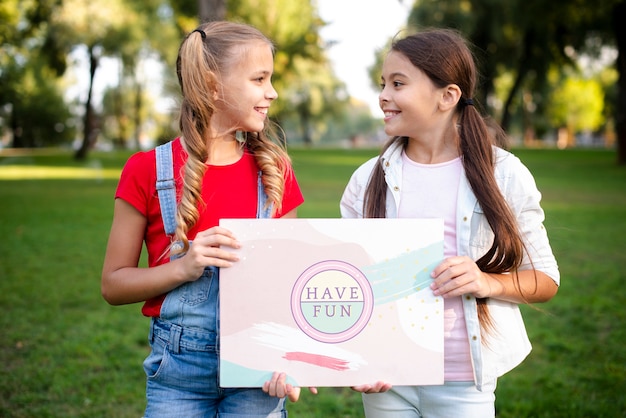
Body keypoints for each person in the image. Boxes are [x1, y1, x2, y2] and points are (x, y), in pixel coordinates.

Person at [340, 28, 559, 417]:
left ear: (448, 96)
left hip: (462, 380)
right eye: (383, 84)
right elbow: (352, 285)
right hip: (387, 380)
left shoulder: (504, 175)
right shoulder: (366, 179)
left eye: (398, 83)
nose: (383, 96)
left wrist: (485, 281)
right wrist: (361, 357)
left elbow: (544, 279)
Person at [101, 21, 306, 417]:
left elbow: (290, 286)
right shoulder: (146, 171)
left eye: (271, 79)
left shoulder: (275, 172)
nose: (272, 92)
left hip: (256, 373)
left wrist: (289, 359)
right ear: (212, 86)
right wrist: (185, 267)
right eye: (259, 79)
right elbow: (113, 285)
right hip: (178, 373)